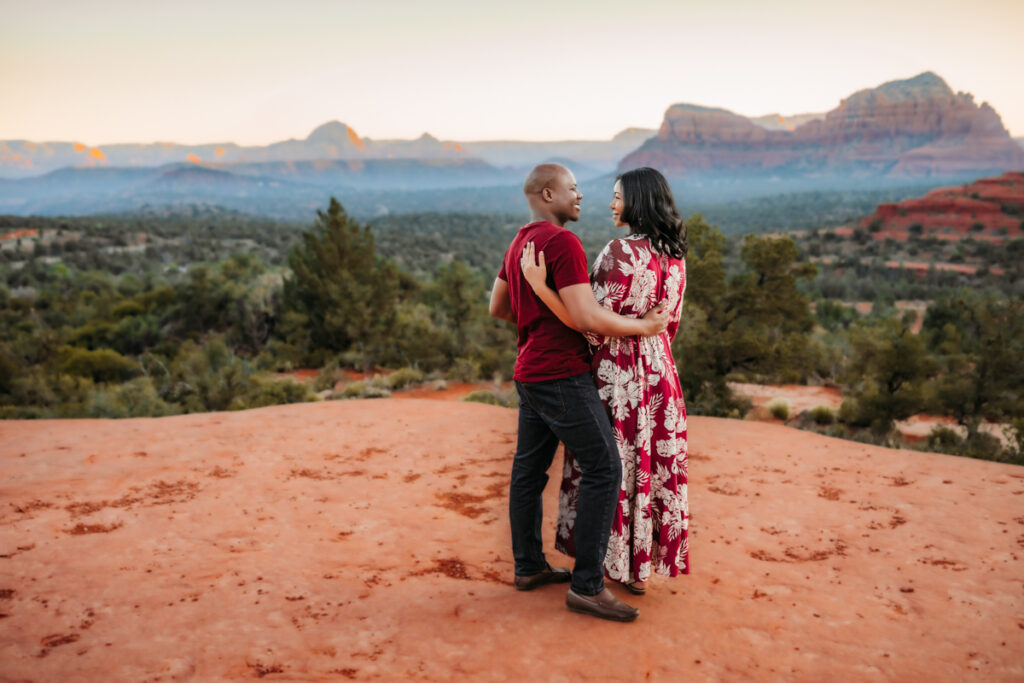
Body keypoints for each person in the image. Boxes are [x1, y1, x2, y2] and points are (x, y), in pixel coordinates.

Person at [489, 163, 668, 622]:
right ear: (548, 194)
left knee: (528, 472)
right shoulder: (562, 242)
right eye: (573, 188)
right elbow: (588, 318)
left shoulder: (519, 241)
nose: (581, 196)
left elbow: (498, 308)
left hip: (528, 370)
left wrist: (538, 317)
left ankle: (528, 567)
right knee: (605, 468)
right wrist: (644, 326)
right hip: (561, 373)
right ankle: (587, 587)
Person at [520, 167, 689, 595]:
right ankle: (637, 568)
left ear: (637, 201)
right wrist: (650, 340)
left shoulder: (619, 252)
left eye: (617, 196)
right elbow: (669, 325)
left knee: (612, 469)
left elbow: (589, 324)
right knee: (646, 467)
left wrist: (540, 289)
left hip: (620, 376)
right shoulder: (675, 255)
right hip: (661, 374)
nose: (611, 203)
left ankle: (604, 570)